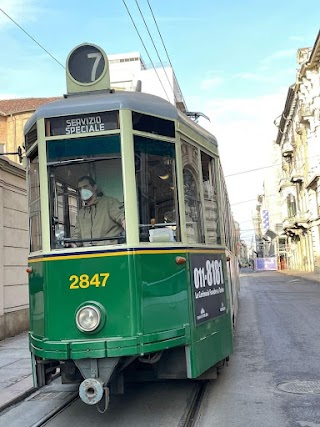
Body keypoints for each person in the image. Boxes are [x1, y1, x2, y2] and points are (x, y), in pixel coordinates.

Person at [71, 176, 125, 246]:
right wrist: (73, 243)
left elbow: (122, 218)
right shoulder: (81, 213)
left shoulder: (109, 203)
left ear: (94, 187)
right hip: (88, 253)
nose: (82, 190)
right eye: (80, 189)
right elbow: (77, 234)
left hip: (110, 251)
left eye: (85, 187)